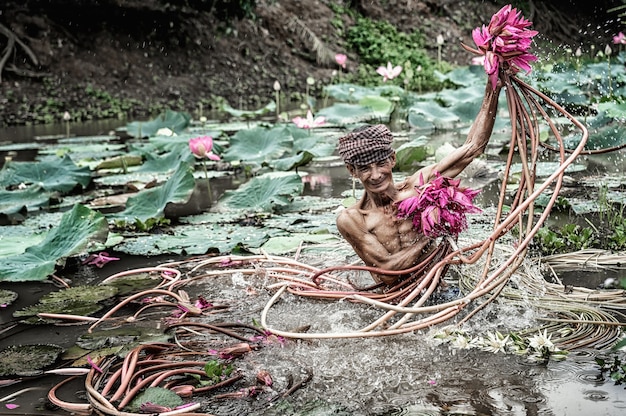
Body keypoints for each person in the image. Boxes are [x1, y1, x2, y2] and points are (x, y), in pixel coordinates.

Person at [336, 80, 502, 285]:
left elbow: (472, 147)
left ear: (392, 160)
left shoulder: (419, 187)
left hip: (436, 285)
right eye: (364, 168)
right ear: (352, 171)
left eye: (381, 164)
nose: (376, 174)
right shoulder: (352, 220)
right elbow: (387, 272)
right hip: (395, 298)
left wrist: (492, 91)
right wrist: (431, 235)